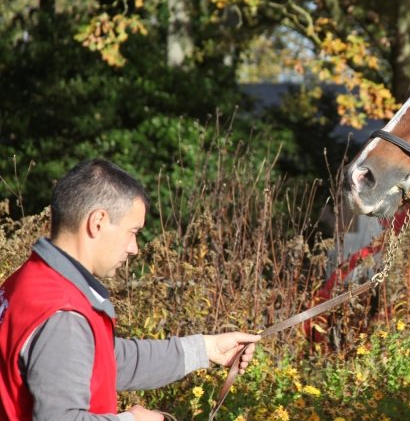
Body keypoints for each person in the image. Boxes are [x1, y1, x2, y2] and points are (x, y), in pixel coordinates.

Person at [0, 158, 262, 420]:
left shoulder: (27, 281)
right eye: (132, 231)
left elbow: (105, 360)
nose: (134, 248)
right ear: (98, 222)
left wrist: (206, 348)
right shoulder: (64, 313)